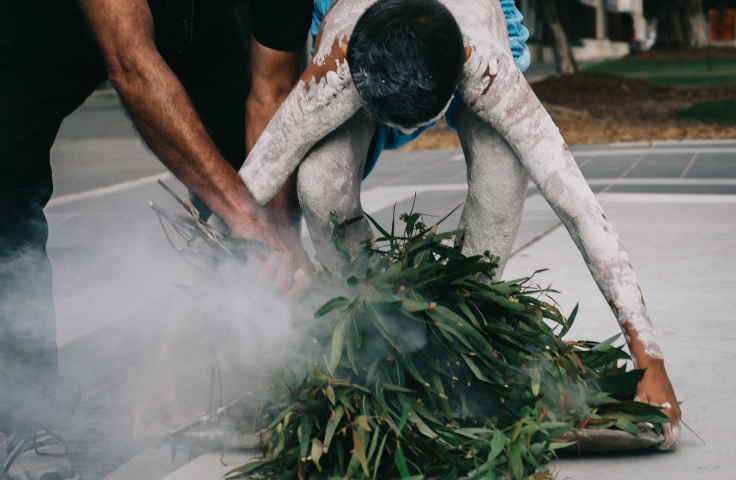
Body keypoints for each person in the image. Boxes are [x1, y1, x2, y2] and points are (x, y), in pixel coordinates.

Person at [237, 0, 682, 449]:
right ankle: (364, 328)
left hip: (468, 23)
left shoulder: (485, 65)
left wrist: (651, 363)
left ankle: (463, 341)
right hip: (360, 43)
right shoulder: (338, 62)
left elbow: (579, 207)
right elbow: (252, 181)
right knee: (318, 181)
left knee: (503, 170)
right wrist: (208, 272)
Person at [0, 0, 312, 478]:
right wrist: (244, 216)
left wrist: (279, 233)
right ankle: (24, 420)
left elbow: (273, 89)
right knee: (7, 193)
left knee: (243, 177)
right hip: (44, 26)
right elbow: (130, 64)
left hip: (194, 22)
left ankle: (210, 374)